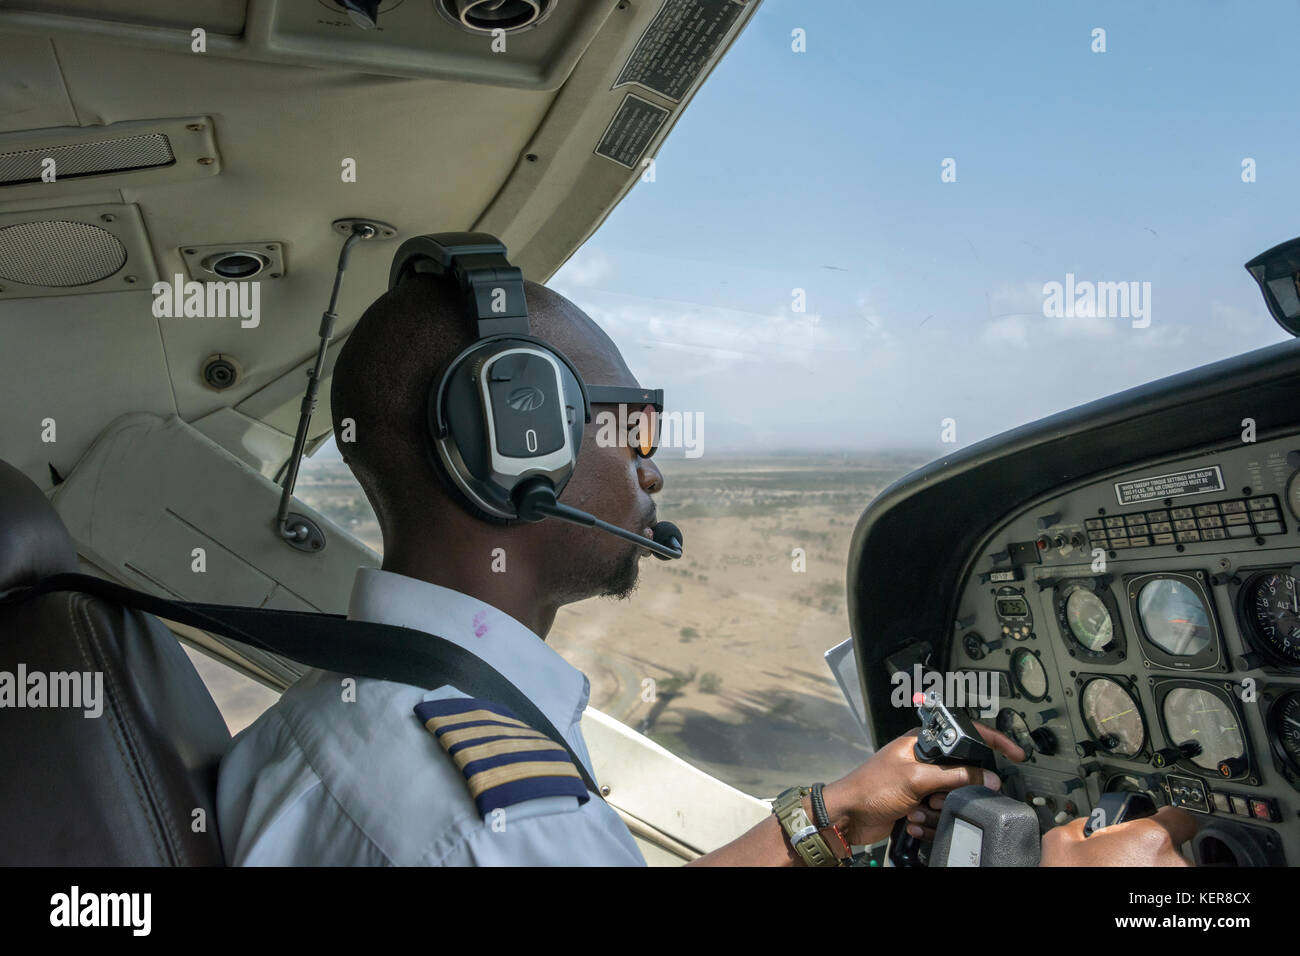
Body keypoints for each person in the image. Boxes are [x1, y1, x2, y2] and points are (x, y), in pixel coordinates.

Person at [216, 273, 1196, 866]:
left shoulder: (342, 706)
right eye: (631, 420)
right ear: (511, 447)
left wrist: (828, 816)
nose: (653, 458)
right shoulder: (490, 823)